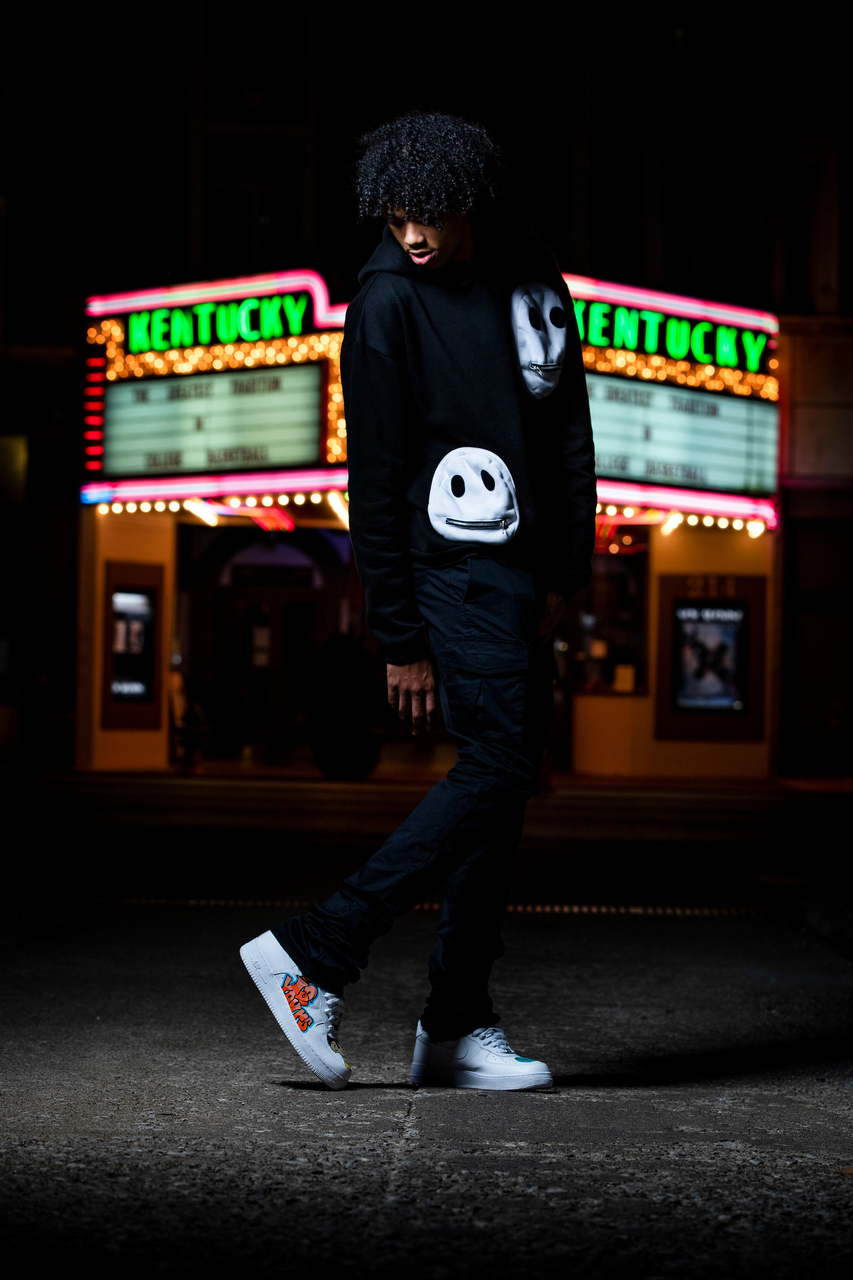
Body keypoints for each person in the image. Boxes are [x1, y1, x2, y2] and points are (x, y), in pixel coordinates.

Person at [241, 112, 595, 1091]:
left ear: (469, 200)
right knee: (494, 768)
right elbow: (377, 473)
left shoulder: (531, 278)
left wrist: (567, 570)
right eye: (395, 218)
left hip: (524, 573)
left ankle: (452, 1024)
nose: (413, 235)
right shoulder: (386, 303)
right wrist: (396, 628)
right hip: (451, 566)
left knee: (505, 789)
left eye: (428, 215)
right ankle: (316, 949)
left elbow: (566, 423)